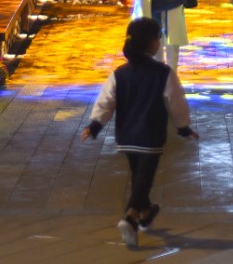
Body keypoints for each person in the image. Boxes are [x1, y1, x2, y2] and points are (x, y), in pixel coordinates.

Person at [82, 17, 200, 249]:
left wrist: (95, 126)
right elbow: (176, 102)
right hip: (151, 135)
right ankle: (130, 217)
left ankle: (146, 212)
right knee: (144, 180)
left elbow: (106, 102)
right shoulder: (163, 73)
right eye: (158, 37)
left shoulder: (119, 73)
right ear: (152, 43)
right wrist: (183, 127)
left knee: (140, 176)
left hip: (126, 136)